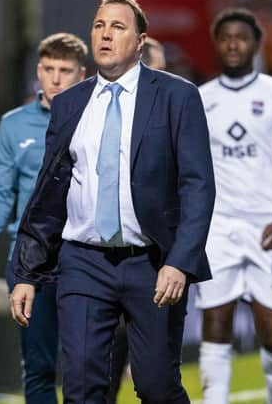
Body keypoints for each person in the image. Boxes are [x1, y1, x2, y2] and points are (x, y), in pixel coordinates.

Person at [9, 0, 215, 404]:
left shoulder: (177, 97)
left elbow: (198, 185)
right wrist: (26, 273)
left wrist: (179, 261)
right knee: (83, 388)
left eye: (117, 27)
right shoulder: (69, 104)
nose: (105, 35)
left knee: (156, 387)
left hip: (153, 263)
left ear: (140, 40)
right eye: (99, 26)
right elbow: (49, 195)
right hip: (84, 262)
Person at [195, 8, 272, 404]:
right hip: (219, 228)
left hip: (268, 227)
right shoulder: (200, 99)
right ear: (216, 44)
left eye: (241, 37)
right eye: (225, 37)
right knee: (215, 322)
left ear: (256, 44)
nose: (233, 44)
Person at [0, 32, 87, 404]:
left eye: (64, 70)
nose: (55, 78)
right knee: (38, 365)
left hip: (85, 255)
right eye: (48, 69)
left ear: (80, 74)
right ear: (38, 70)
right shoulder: (13, 125)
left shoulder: (97, 119)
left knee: (85, 363)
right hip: (31, 259)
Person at [106, 35, 167, 404]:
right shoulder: (110, 112)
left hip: (159, 255)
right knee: (107, 351)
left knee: (156, 373)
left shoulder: (178, 113)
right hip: (111, 250)